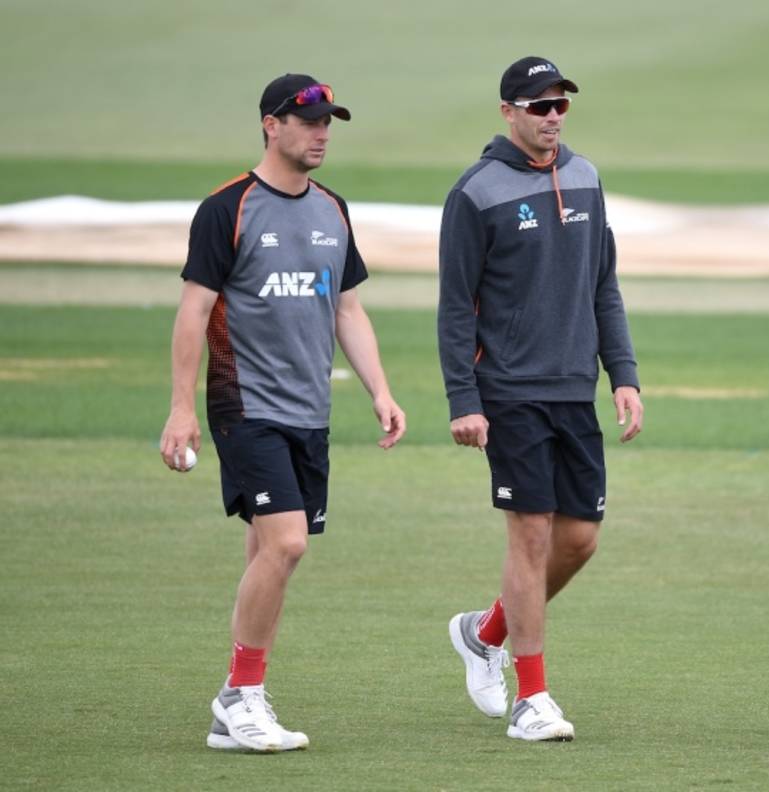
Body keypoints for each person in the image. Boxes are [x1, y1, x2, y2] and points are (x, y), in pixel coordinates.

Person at [158, 73, 406, 752]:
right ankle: (241, 695)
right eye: (309, 121)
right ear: (272, 125)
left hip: (309, 410)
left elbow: (348, 309)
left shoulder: (332, 210)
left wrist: (379, 391)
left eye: (329, 122)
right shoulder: (228, 208)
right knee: (288, 541)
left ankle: (235, 707)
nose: (322, 132)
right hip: (245, 403)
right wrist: (181, 410)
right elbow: (193, 311)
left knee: (274, 553)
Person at [437, 56, 643, 742]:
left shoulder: (586, 177)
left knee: (578, 540)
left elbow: (603, 285)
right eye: (538, 105)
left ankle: (484, 632)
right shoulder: (476, 192)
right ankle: (533, 698)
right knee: (529, 536)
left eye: (560, 105)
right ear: (508, 112)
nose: (551, 116)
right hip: (508, 393)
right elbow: (455, 308)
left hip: (572, 390)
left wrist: (623, 374)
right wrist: (464, 399)